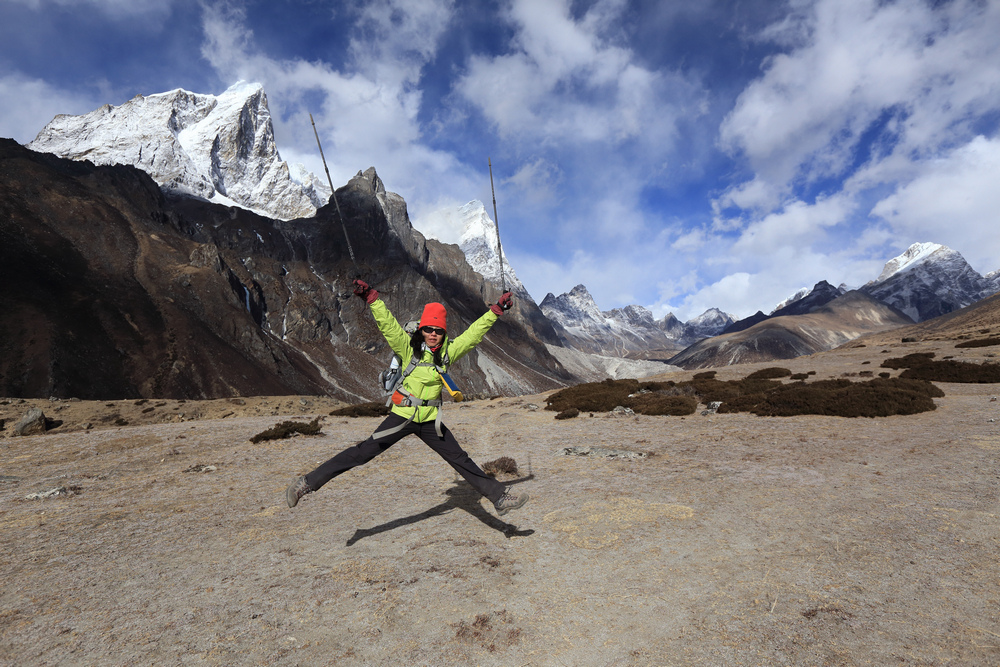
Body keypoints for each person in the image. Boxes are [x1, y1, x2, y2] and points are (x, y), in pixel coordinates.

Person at [285, 278, 529, 517]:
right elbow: (388, 326)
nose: (433, 334)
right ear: (422, 330)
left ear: (444, 333)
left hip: (430, 422)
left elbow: (474, 333)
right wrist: (372, 298)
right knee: (362, 453)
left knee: (460, 459)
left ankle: (499, 497)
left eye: (438, 331)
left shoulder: (449, 353)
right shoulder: (407, 348)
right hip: (402, 417)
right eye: (428, 329)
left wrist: (496, 310)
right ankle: (306, 482)